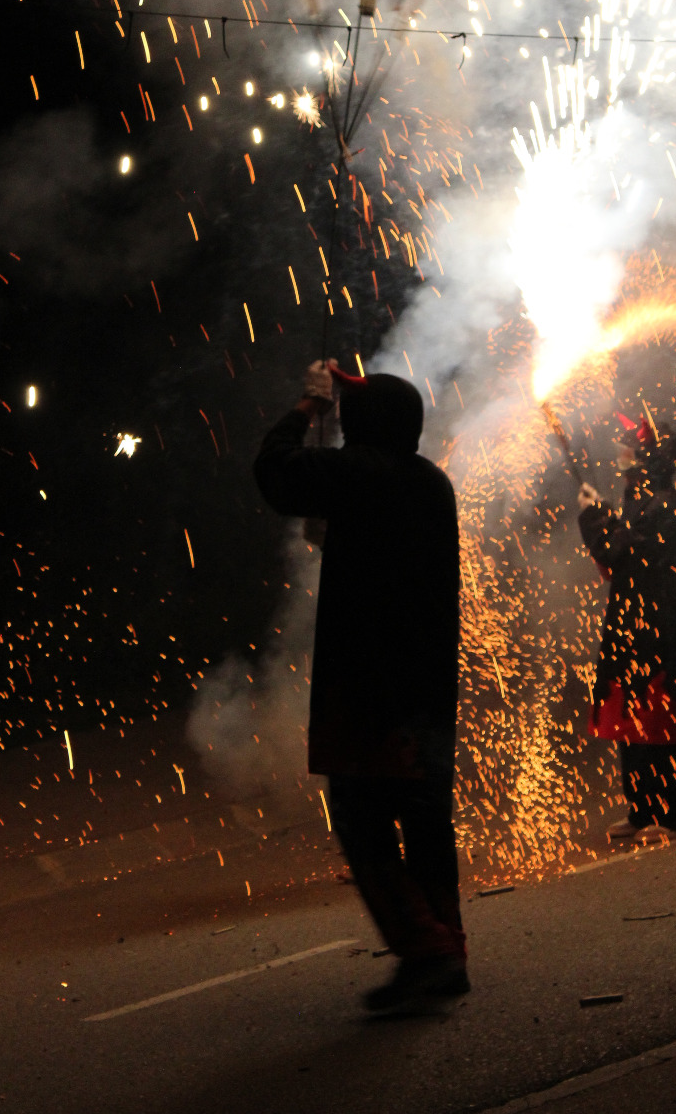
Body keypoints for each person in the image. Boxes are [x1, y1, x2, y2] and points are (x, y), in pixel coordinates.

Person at [254, 360, 466, 1012]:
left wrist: (307, 407)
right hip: (424, 683)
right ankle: (445, 952)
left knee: (364, 821)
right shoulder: (428, 480)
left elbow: (275, 471)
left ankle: (425, 951)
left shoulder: (361, 473)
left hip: (372, 689)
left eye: (350, 419)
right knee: (425, 824)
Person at [577, 414, 676, 841]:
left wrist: (596, 519)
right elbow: (618, 560)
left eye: (627, 446)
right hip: (636, 628)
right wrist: (599, 516)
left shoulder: (661, 503)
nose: (620, 452)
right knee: (632, 721)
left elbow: (624, 554)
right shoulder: (641, 500)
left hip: (661, 632)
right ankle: (644, 808)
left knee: (661, 720)